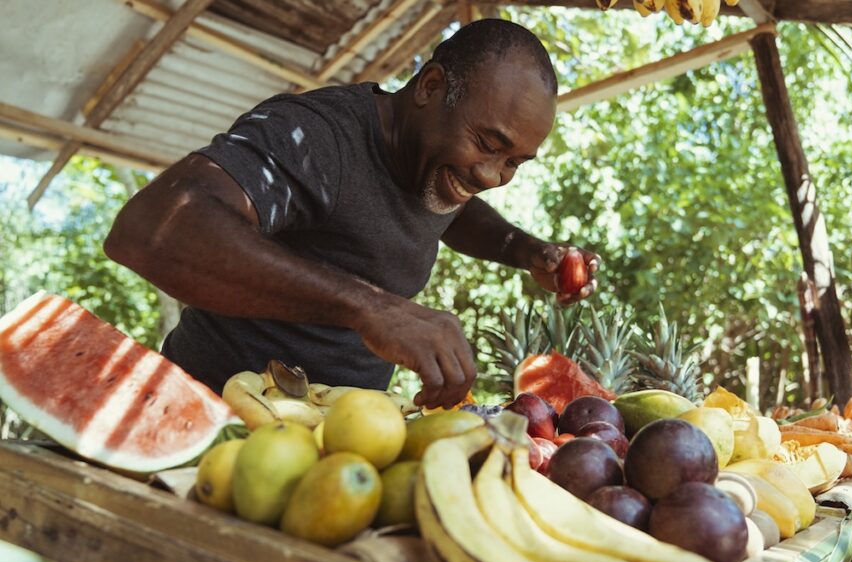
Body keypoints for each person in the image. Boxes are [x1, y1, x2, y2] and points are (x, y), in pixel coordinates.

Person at [104, 19, 599, 410]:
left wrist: (523, 249)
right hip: (209, 413)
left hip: (332, 439)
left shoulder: (432, 166)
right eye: (489, 145)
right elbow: (152, 229)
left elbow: (453, 211)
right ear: (429, 86)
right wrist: (372, 308)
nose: (493, 176)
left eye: (515, 162)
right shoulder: (316, 138)